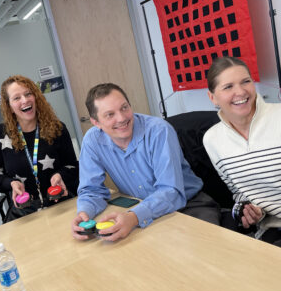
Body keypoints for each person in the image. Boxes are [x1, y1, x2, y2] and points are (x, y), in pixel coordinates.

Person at [71, 83, 221, 242]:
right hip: (140, 208)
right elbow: (92, 190)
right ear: (96, 122)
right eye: (110, 114)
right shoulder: (92, 140)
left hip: (188, 206)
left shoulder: (159, 131)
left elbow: (171, 191)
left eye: (124, 108)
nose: (121, 118)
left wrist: (134, 217)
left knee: (203, 250)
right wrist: (84, 213)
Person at [203, 56, 281, 243]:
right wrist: (251, 212)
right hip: (271, 230)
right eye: (228, 87)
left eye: (246, 81)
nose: (240, 92)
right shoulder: (212, 140)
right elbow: (239, 192)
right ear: (212, 97)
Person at [0, 75, 79, 221]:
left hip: (60, 205)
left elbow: (73, 166)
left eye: (28, 94)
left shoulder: (57, 128)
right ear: (9, 106)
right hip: (24, 213)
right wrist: (11, 183)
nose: (25, 100)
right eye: (16, 98)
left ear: (36, 97)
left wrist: (60, 175)